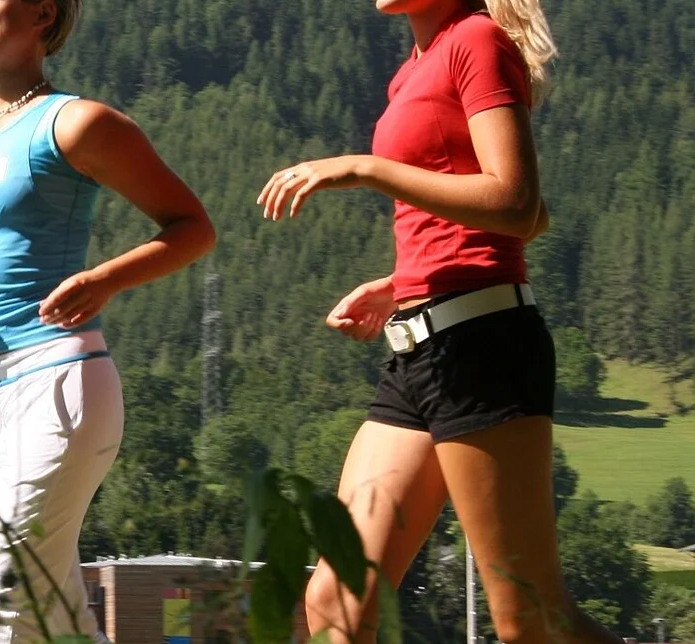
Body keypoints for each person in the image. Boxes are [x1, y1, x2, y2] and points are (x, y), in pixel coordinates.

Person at [256, 1, 619, 642]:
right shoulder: (412, 71)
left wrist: (362, 168)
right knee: (337, 600)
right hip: (419, 349)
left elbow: (516, 201)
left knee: (529, 620)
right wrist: (403, 284)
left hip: (484, 347)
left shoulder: (476, 41)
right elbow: (527, 219)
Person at [0, 1, 215, 641]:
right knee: (55, 618)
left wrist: (106, 279)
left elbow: (193, 229)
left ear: (42, 12)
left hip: (58, 383)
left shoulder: (76, 123)